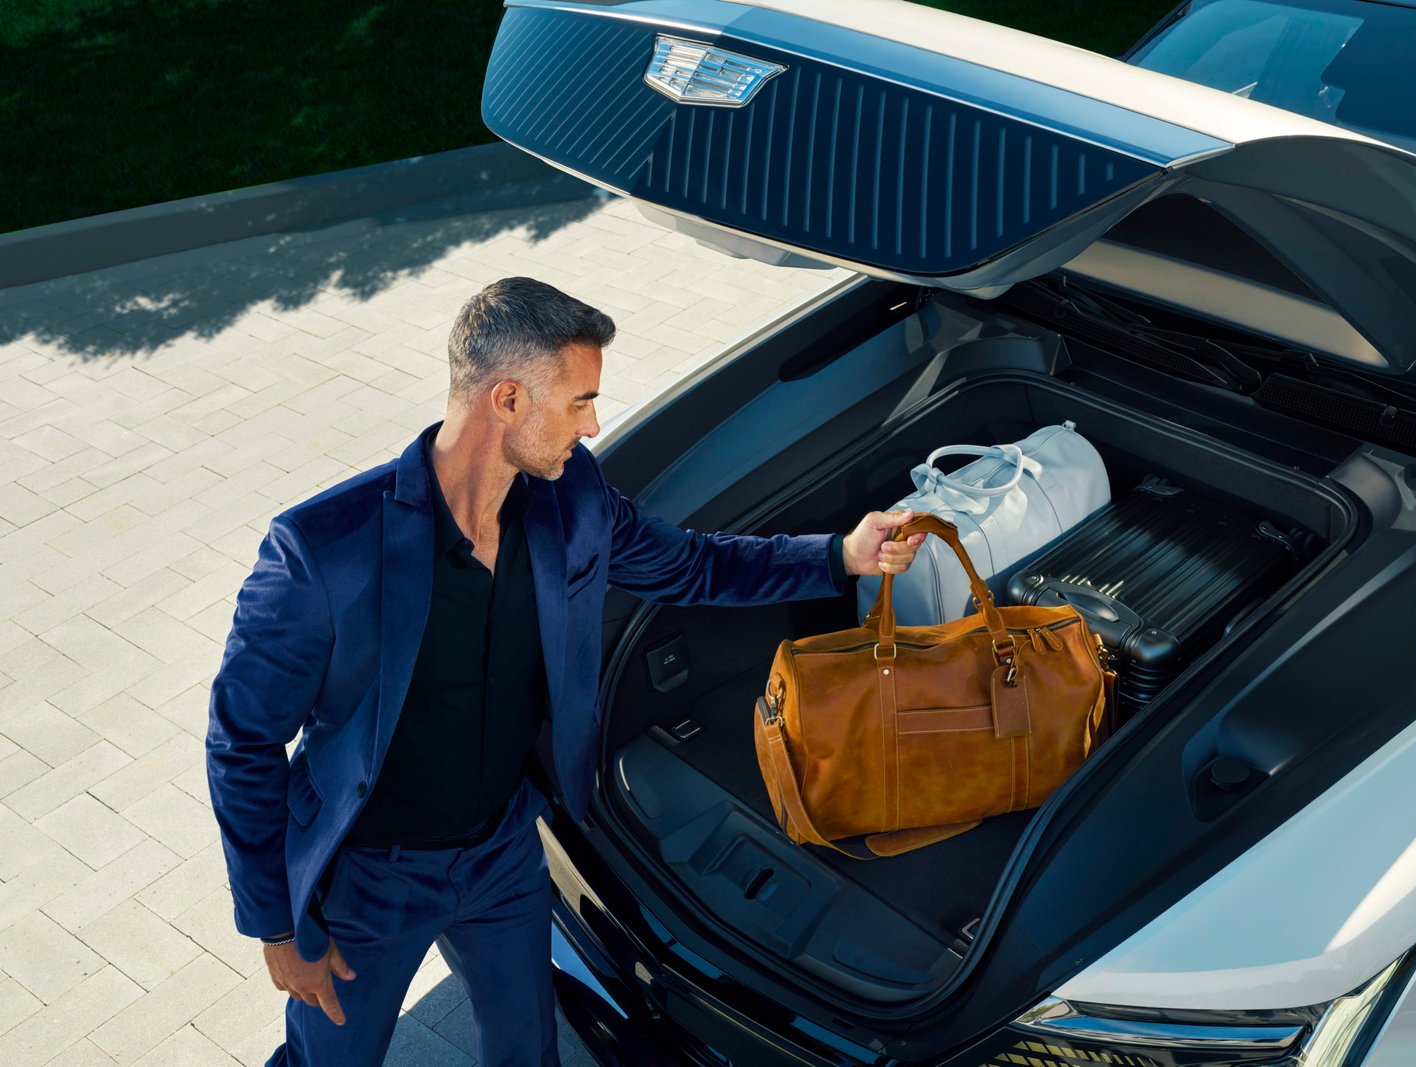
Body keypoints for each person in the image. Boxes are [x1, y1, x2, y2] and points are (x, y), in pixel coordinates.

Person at [204, 277, 927, 1067]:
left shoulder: (569, 497)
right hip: (370, 880)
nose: (592, 424)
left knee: (530, 1052)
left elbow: (690, 564)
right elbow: (241, 741)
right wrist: (276, 927)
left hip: (502, 852)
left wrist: (838, 556)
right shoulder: (321, 551)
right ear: (506, 399)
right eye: (579, 401)